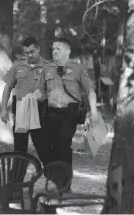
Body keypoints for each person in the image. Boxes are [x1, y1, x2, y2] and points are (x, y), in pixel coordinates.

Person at [42, 37, 99, 190]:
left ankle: (65, 185)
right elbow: (40, 91)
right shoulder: (47, 68)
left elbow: (90, 90)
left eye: (58, 49)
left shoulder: (79, 68)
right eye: (53, 48)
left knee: (63, 145)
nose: (54, 51)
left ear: (68, 51)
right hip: (51, 113)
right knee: (48, 148)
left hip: (70, 113)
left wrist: (93, 112)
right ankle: (53, 181)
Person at [0, 37, 51, 167]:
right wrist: (3, 109)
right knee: (19, 149)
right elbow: (7, 88)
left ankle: (53, 181)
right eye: (26, 52)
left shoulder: (48, 67)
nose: (29, 55)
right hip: (21, 109)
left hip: (40, 111)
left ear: (38, 49)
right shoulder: (17, 66)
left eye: (32, 51)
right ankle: (16, 182)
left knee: (43, 147)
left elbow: (54, 90)